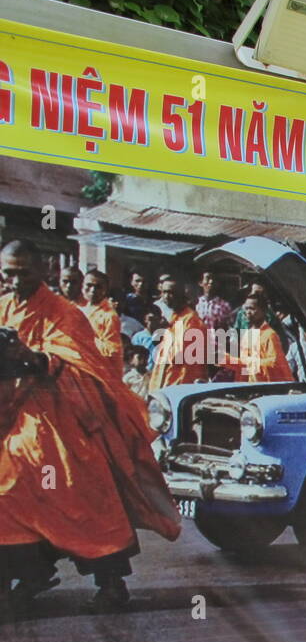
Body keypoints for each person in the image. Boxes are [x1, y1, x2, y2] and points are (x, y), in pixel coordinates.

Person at [0, 238, 181, 616]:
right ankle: (27, 573)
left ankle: (111, 582)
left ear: (41, 271)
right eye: (8, 273)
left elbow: (77, 365)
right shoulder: (3, 306)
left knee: (69, 487)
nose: (15, 281)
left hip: (58, 414)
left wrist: (32, 358)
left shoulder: (63, 312)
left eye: (22, 273)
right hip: (11, 411)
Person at [148, 274, 209, 389]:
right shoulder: (175, 317)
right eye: (164, 292)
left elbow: (178, 354)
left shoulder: (191, 320)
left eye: (171, 292)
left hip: (181, 384)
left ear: (181, 294)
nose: (166, 296)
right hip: (166, 383)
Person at [233, 294, 294, 383]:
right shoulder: (247, 336)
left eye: (252, 308)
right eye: (246, 309)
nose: (248, 312)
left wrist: (250, 362)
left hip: (271, 387)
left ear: (264, 311)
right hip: (253, 387)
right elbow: (244, 367)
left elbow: (274, 363)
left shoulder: (270, 335)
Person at [81, 270, 122, 367]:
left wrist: (85, 339)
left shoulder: (109, 316)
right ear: (82, 286)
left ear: (105, 290)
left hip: (95, 366)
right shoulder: (79, 308)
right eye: (89, 285)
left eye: (98, 287)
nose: (93, 290)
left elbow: (112, 350)